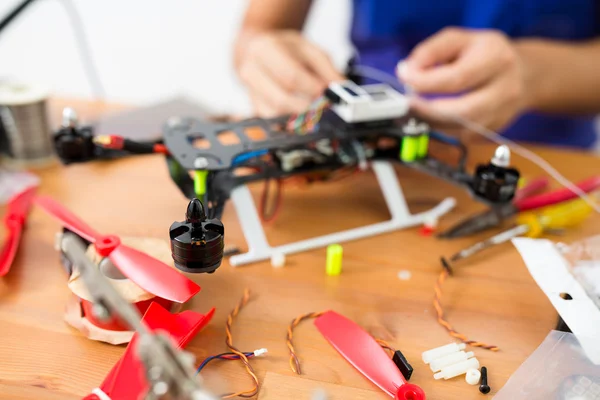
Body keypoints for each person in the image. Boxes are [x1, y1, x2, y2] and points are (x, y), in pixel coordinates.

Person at [233, 0, 600, 149]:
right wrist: (264, 57)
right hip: (363, 158)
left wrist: (528, 74)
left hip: (541, 156)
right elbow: (259, 32)